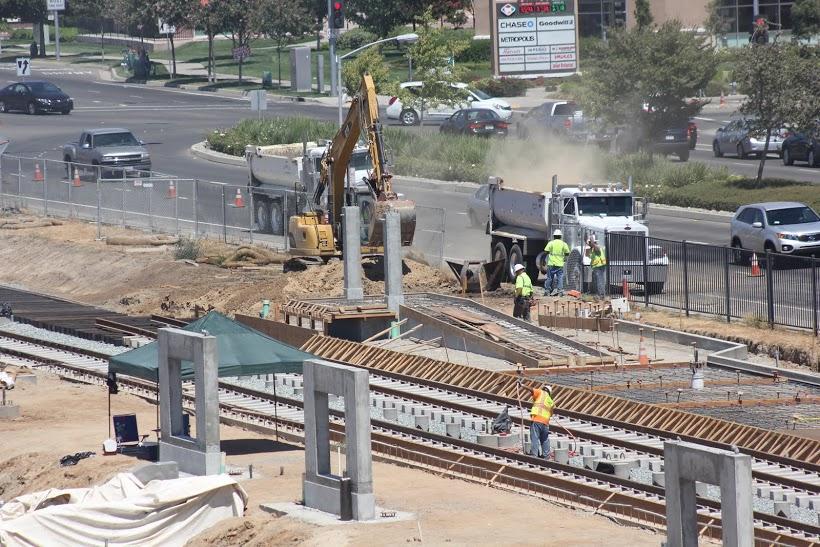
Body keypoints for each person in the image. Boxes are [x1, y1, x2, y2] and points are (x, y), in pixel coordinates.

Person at [527, 384, 554, 459]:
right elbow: (551, 414)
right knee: (544, 439)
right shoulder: (551, 401)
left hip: (537, 420)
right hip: (545, 423)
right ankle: (546, 456)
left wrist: (522, 385)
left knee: (535, 437)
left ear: (544, 389)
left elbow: (531, 389)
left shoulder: (541, 392)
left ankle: (534, 455)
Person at [544, 229, 570, 296]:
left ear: (554, 236)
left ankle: (547, 291)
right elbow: (567, 253)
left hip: (551, 263)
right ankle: (560, 291)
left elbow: (546, 251)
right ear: (560, 236)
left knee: (549, 278)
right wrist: (564, 257)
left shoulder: (551, 243)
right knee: (560, 278)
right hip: (559, 264)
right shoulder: (564, 244)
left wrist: (548, 255)